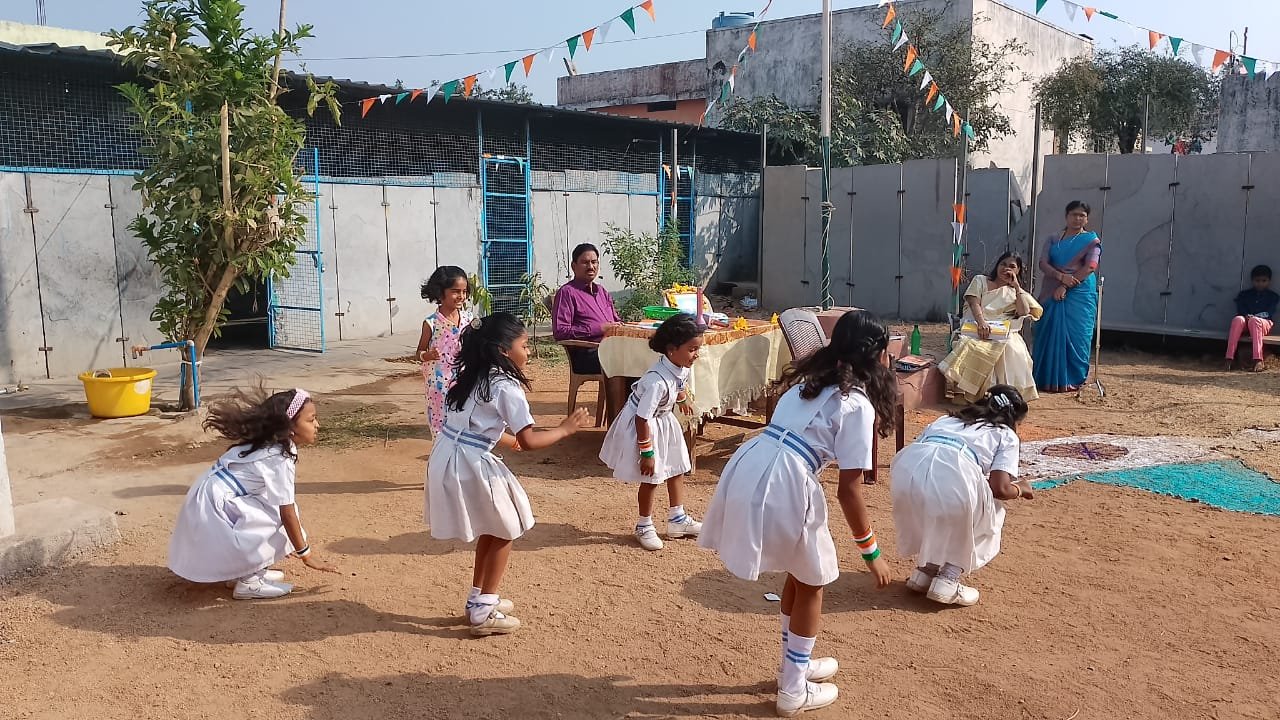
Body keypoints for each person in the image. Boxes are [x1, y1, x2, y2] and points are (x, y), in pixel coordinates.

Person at [699, 310, 896, 718]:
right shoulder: (855, 404)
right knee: (813, 581)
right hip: (786, 477)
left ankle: (795, 667)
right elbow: (849, 490)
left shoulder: (807, 386)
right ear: (875, 355)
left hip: (754, 461)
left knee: (800, 570)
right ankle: (792, 690)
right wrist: (872, 552)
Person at [426, 312, 591, 637]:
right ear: (503, 350)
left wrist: (505, 439)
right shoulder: (505, 386)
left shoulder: (473, 374)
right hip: (469, 461)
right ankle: (484, 610)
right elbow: (530, 440)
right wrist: (565, 429)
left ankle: (478, 600)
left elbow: (470, 423)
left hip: (450, 453)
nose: (528, 352)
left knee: (493, 525)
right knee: (506, 527)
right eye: (525, 345)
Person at [168, 388, 338, 600]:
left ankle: (243, 572)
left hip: (209, 497)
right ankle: (249, 582)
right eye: (311, 420)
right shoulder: (279, 457)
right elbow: (287, 514)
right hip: (214, 504)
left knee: (269, 509)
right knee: (279, 516)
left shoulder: (270, 443)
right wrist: (307, 555)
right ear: (289, 427)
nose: (317, 425)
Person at [889, 385, 1034, 608]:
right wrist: (1021, 488)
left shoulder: (945, 420)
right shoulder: (1006, 435)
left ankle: (925, 571)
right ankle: (948, 578)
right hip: (954, 474)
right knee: (988, 506)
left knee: (946, 500)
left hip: (906, 473)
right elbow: (1001, 489)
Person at [599, 314, 705, 551]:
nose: (696, 354)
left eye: (697, 349)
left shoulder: (680, 366)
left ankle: (677, 519)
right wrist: (646, 452)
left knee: (676, 468)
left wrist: (683, 398)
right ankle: (644, 525)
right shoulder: (656, 382)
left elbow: (679, 384)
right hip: (646, 428)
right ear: (671, 349)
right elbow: (642, 417)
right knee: (652, 477)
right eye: (692, 349)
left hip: (665, 422)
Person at [939, 252, 1043, 402]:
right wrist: (982, 323)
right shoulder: (980, 280)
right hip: (977, 325)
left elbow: (1024, 312)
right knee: (974, 346)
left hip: (1002, 331)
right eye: (1003, 264)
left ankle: (1003, 396)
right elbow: (973, 303)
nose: (1006, 269)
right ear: (997, 265)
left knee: (1012, 347)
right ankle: (974, 394)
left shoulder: (1015, 291)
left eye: (1012, 266)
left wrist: (1016, 287)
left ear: (1018, 271)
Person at [1033, 201, 1102, 393]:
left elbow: (1090, 267)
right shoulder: (1053, 238)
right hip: (1051, 287)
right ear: (1066, 216)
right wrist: (1059, 277)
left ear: (1087, 218)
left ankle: (1073, 378)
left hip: (1079, 292)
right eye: (1073, 214)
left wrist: (1065, 285)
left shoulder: (1091, 241)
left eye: (1082, 215)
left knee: (1077, 334)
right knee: (1045, 329)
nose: (1077, 218)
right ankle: (1044, 378)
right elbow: (1043, 262)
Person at [416, 266, 474, 435]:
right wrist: (427, 355)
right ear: (440, 292)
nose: (461, 296)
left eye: (464, 291)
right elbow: (419, 352)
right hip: (439, 386)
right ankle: (441, 458)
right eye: (456, 291)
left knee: (467, 419)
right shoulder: (431, 323)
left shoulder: (469, 319)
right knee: (440, 425)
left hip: (466, 380)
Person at [552, 243, 621, 375]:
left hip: (611, 348)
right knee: (626, 360)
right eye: (585, 262)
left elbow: (616, 320)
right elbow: (560, 331)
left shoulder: (602, 292)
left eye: (594, 262)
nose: (590, 267)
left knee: (643, 355)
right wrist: (599, 328)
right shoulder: (567, 292)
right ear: (574, 266)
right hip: (587, 354)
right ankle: (619, 396)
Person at [1224, 264, 1278, 372]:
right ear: (1252, 281)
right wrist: (1246, 315)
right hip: (1247, 321)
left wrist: (1254, 317)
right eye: (1257, 280)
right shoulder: (1245, 295)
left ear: (1269, 281)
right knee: (1237, 319)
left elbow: (1269, 313)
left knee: (1255, 321)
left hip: (1263, 323)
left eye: (1264, 281)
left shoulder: (1273, 296)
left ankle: (1258, 359)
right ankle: (1229, 358)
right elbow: (1240, 309)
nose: (1260, 283)